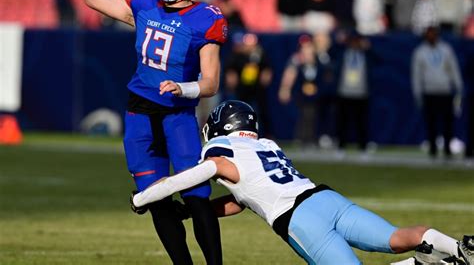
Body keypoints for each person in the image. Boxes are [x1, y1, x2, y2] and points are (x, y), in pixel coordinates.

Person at [131, 100, 474, 265]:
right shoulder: (266, 146)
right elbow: (243, 200)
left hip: (300, 219)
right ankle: (456, 248)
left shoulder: (221, 153)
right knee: (399, 238)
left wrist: (144, 198)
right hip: (326, 199)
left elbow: (193, 175)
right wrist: (191, 214)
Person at [84, 0, 227, 265]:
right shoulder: (145, 0)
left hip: (177, 115)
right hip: (139, 114)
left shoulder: (206, 18)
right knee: (156, 197)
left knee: (196, 197)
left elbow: (211, 83)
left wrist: (183, 87)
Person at [411, 26, 463, 159]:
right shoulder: (420, 52)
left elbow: (453, 68)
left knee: (447, 122)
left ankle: (447, 149)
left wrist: (458, 86)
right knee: (431, 122)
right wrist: (418, 92)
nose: (431, 36)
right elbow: (416, 75)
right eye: (429, 34)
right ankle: (433, 149)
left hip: (445, 91)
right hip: (429, 91)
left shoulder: (446, 49)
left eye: (433, 34)